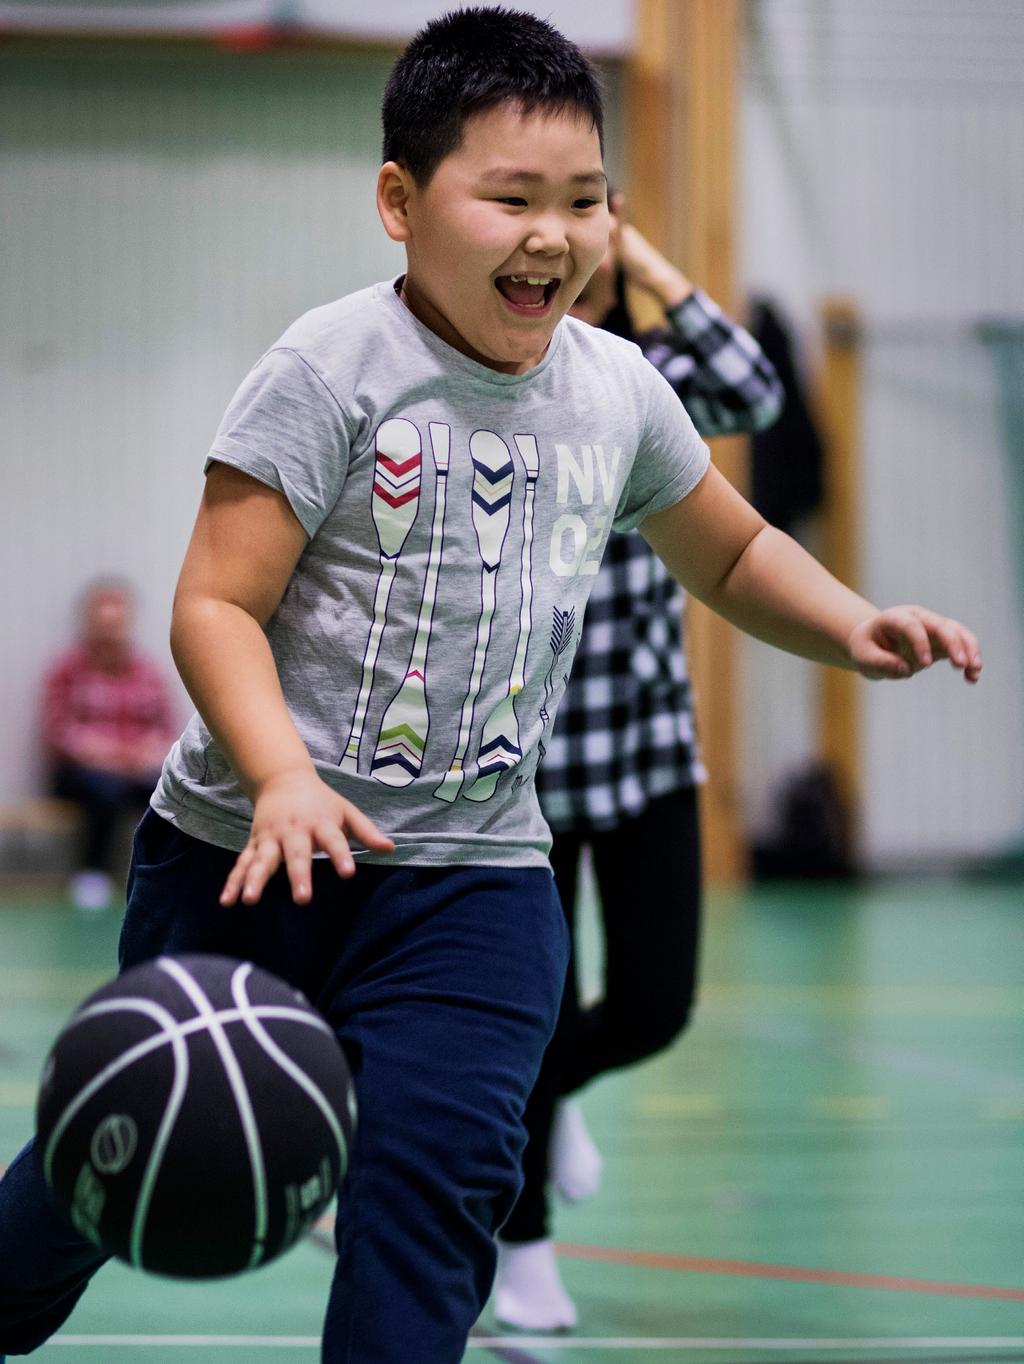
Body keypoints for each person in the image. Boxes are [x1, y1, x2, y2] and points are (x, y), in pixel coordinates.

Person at [0, 9, 981, 1363]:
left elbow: (734, 549)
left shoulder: (619, 390)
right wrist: (283, 774)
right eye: (509, 196)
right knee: (107, 1166)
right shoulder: (329, 369)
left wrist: (853, 621)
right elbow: (215, 602)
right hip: (246, 858)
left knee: (435, 1193)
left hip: (475, 881)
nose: (552, 235)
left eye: (584, 201)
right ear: (401, 203)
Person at [494, 198, 785, 1331]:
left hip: (650, 743)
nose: (566, 233)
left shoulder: (651, 371)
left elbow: (754, 389)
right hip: (533, 760)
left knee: (657, 1003)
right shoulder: (520, 368)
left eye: (588, 211)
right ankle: (522, 1255)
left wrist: (650, 253)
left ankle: (556, 1089)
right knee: (535, 1016)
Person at [40, 578, 177, 910]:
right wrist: (111, 755)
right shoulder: (68, 669)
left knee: (164, 792)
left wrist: (143, 754)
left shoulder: (147, 671)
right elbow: (58, 733)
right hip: (82, 774)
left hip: (135, 770)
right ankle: (92, 874)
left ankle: (159, 872)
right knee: (104, 791)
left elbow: (166, 731)